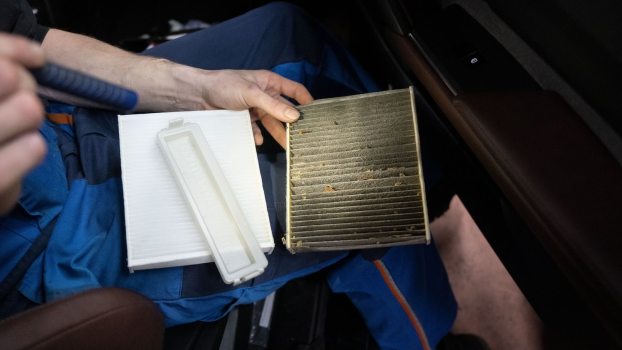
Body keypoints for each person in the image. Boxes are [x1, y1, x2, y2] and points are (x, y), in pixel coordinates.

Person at [0, 1, 457, 349]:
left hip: (59, 114)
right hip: (51, 235)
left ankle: (431, 179)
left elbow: (24, 37)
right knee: (367, 192)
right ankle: (430, 331)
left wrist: (194, 88)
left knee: (287, 31)